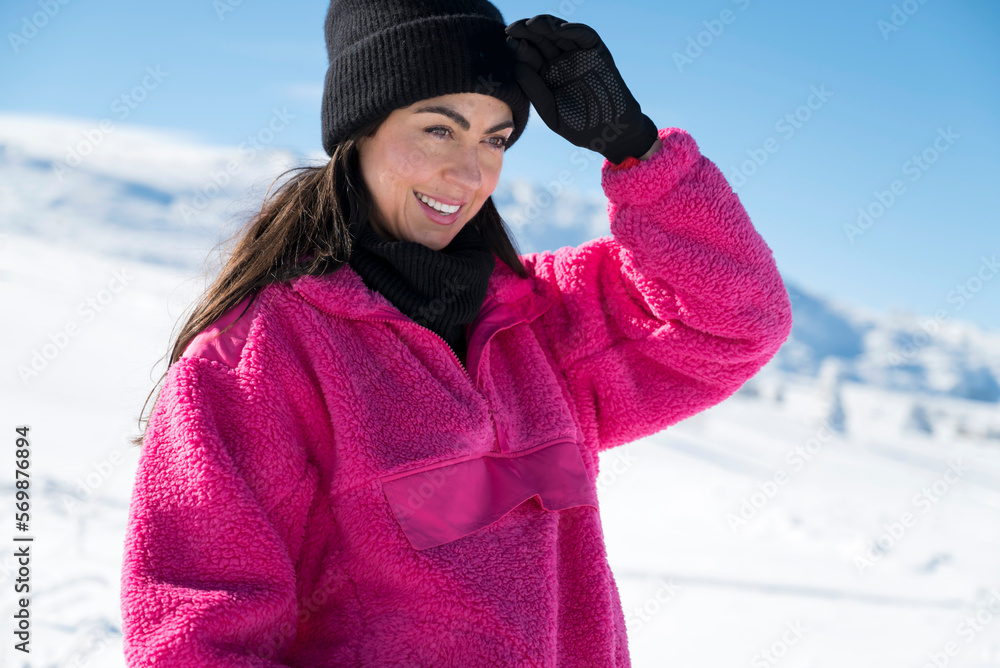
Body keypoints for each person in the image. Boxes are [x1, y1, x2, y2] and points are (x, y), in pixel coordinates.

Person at [120, 1, 794, 665]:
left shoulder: (543, 326)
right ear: (361, 130)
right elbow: (198, 640)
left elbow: (736, 322)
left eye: (494, 139)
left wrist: (634, 147)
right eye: (439, 130)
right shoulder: (257, 362)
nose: (471, 174)